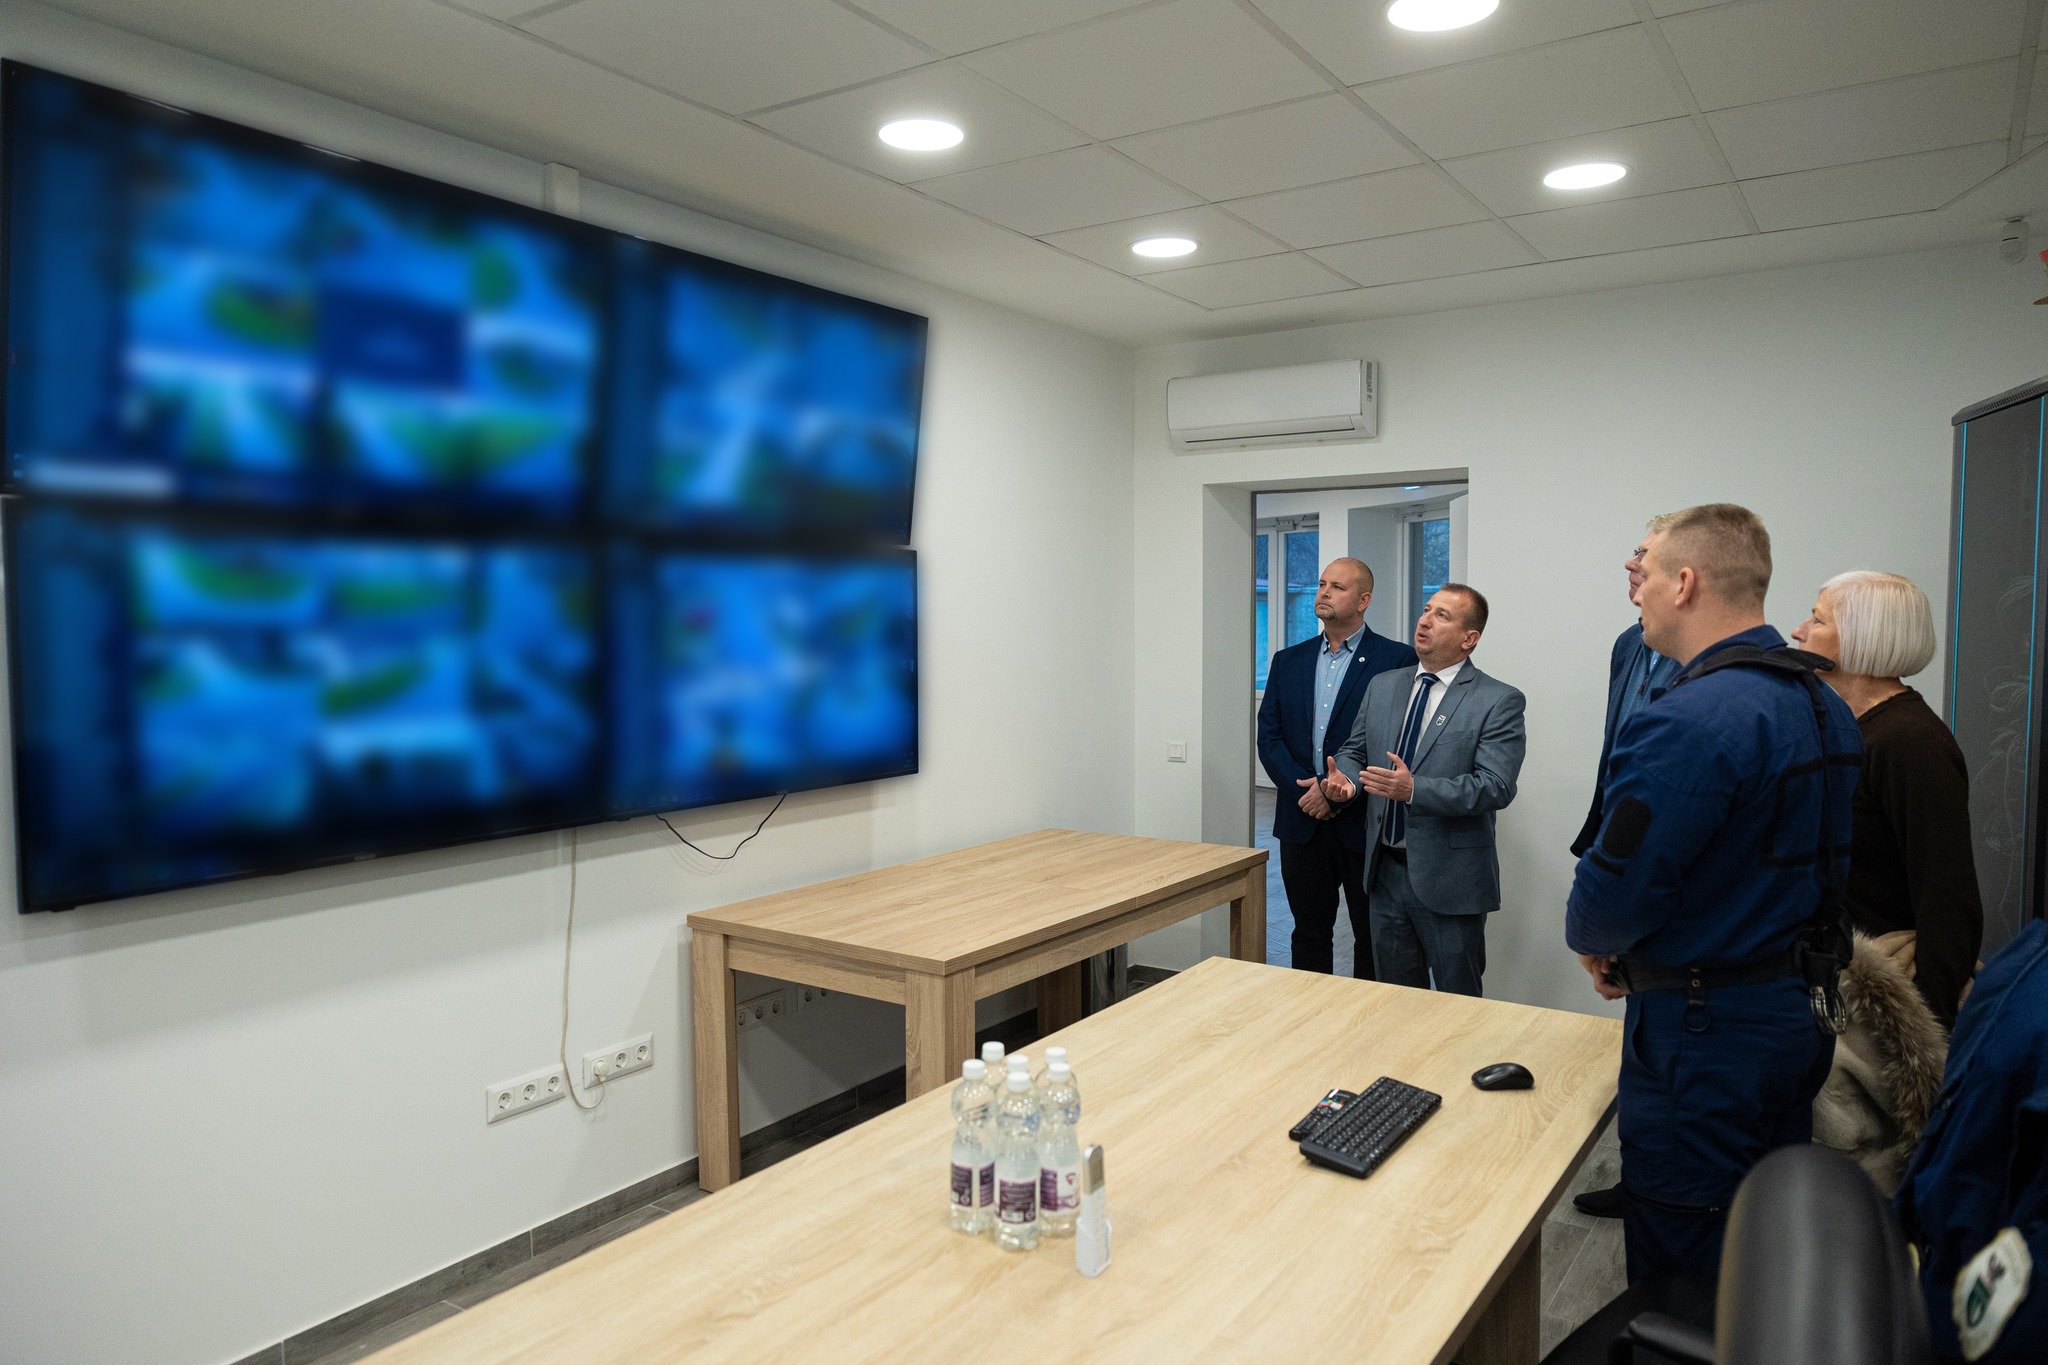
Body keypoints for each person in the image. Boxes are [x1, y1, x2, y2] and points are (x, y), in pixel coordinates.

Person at [1564, 503, 1861, 1285]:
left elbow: (1611, 894)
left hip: (1702, 1032)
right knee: (1765, 1243)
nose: (1637, 588)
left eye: (1649, 571)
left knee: (1685, 1261)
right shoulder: (1824, 705)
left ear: (1686, 583)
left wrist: (1598, 942)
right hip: (1793, 1014)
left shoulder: (1688, 718)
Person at [1789, 570, 1983, 1029]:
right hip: (1841, 985)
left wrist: (1927, 1024)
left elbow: (1946, 893)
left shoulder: (1909, 741)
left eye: (1817, 620)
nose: (1799, 631)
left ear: (1861, 636)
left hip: (1883, 1003)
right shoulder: (1848, 729)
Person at [1319, 584, 1525, 996]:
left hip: (1451, 880)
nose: (1425, 620)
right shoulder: (1384, 685)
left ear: (1469, 639)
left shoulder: (1497, 700)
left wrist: (1415, 790)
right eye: (1426, 609)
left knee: (1457, 1003)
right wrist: (1346, 782)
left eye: (1442, 615)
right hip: (1385, 872)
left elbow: (1496, 786)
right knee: (1395, 999)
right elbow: (1355, 750)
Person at [1572, 522, 1683, 1221]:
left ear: (1683, 575)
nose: (1629, 563)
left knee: (1667, 1034)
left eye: (1643, 554)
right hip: (1619, 848)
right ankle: (1643, 1176)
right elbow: (1616, 751)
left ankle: (1666, 1193)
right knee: (1640, 1033)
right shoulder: (1627, 644)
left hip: (1662, 870)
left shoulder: (1708, 669)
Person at [1256, 558, 1417, 976]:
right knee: (1308, 934)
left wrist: (1336, 795)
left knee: (1370, 936)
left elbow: (1394, 741)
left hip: (1362, 821)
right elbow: (1269, 738)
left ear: (1364, 601)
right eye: (1322, 584)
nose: (1324, 592)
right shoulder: (1287, 660)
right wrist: (1308, 791)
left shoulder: (1397, 659)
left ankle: (1364, 1017)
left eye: (1337, 587)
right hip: (1301, 819)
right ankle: (1311, 1014)